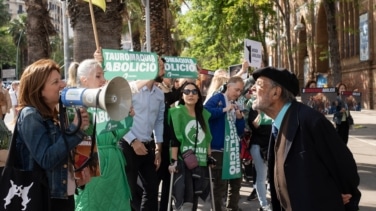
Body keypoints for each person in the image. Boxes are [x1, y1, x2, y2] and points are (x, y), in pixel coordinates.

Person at [250, 66, 361, 211]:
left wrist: (333, 201)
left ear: (276, 93)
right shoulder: (278, 124)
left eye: (259, 85)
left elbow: (345, 169)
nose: (252, 89)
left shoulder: (311, 121)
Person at [15, 59, 91, 211]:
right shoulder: (31, 115)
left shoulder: (55, 115)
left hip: (62, 195)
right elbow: (46, 159)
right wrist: (74, 130)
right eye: (55, 82)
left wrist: (76, 173)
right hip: (43, 199)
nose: (62, 84)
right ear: (38, 90)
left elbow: (60, 159)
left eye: (61, 79)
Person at [71, 59, 133, 211]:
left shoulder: (105, 103)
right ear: (84, 80)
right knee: (90, 204)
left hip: (113, 165)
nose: (103, 80)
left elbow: (115, 135)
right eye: (98, 76)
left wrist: (128, 117)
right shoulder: (75, 105)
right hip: (91, 163)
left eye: (103, 75)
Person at [121, 56, 165, 211]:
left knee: (152, 189)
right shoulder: (131, 89)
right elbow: (119, 118)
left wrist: (158, 148)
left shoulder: (160, 94)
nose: (163, 70)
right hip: (127, 145)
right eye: (160, 66)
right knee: (129, 191)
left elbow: (159, 122)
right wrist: (133, 141)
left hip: (148, 147)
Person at [168, 82, 214, 210]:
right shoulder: (176, 113)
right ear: (182, 95)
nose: (190, 95)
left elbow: (207, 137)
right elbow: (174, 139)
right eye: (186, 92)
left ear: (199, 96)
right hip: (183, 160)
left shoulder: (204, 114)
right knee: (186, 197)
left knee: (195, 196)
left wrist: (209, 156)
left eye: (194, 92)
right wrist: (173, 161)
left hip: (200, 160)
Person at [204, 76, 245, 211]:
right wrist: (224, 109)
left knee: (236, 182)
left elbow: (239, 131)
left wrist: (239, 119)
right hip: (219, 148)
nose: (238, 93)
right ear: (229, 86)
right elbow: (205, 112)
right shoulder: (218, 98)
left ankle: (232, 207)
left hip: (232, 149)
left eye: (240, 91)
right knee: (220, 185)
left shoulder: (237, 104)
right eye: (236, 90)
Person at [156, 75, 182, 211]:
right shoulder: (156, 91)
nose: (170, 77)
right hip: (156, 143)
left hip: (170, 144)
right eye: (165, 74)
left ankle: (166, 207)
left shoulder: (173, 94)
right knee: (152, 184)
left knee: (167, 181)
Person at [247, 107, 272, 211]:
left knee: (271, 176)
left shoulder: (272, 108)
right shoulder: (253, 110)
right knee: (261, 176)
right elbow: (256, 127)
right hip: (258, 146)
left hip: (271, 146)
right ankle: (264, 205)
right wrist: (260, 113)